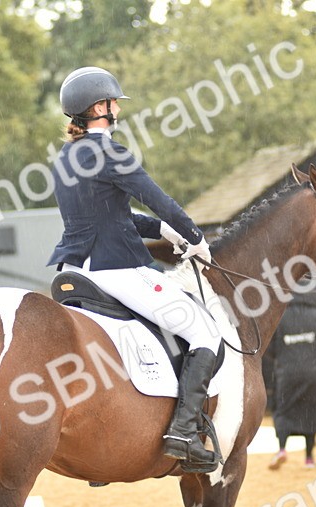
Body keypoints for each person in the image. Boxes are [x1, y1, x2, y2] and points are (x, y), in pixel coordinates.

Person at [48, 66, 221, 472]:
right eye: (112, 103)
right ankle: (182, 432)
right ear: (99, 107)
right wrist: (194, 237)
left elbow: (109, 215)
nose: (117, 110)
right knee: (204, 332)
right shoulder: (111, 152)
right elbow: (158, 199)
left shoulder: (64, 158)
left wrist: (161, 231)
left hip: (74, 271)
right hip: (117, 268)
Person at [267, 292, 316, 469]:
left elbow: (269, 348)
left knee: (283, 411)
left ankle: (282, 449)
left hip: (287, 373)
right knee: (311, 414)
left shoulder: (280, 316)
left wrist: (286, 357)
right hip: (315, 374)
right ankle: (309, 459)